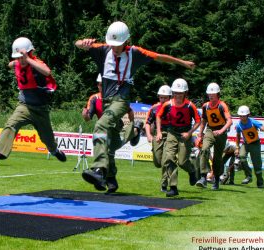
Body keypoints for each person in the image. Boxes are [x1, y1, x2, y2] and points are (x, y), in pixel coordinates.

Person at [75, 21, 195, 191]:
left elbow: (159, 56)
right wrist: (83, 42)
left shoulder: (136, 53)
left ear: (126, 41)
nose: (115, 49)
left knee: (100, 125)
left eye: (118, 45)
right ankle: (112, 176)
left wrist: (182, 62)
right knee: (110, 143)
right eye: (112, 44)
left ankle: (99, 169)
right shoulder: (103, 49)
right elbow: (78, 44)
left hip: (120, 101)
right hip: (107, 103)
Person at [0, 37, 66, 173]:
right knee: (10, 125)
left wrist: (28, 59)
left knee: (47, 139)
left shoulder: (36, 63)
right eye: (18, 58)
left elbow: (47, 71)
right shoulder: (17, 63)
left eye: (22, 57)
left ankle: (54, 150)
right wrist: (15, 61)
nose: (20, 61)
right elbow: (10, 64)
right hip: (24, 105)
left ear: (30, 53)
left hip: (41, 109)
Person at [82, 74, 141, 193]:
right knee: (107, 151)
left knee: (112, 148)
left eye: (102, 84)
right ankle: (109, 179)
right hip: (102, 128)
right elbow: (89, 117)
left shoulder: (116, 97)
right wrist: (85, 116)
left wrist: (131, 123)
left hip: (115, 126)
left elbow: (129, 111)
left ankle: (135, 130)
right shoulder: (94, 98)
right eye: (99, 84)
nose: (101, 87)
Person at [156, 78, 201, 197]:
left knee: (182, 162)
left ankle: (192, 171)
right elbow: (159, 116)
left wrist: (190, 133)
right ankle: (173, 187)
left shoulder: (190, 106)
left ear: (185, 93)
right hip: (172, 133)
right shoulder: (167, 105)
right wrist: (159, 132)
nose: (177, 95)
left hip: (185, 134)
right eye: (175, 93)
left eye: (180, 93)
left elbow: (198, 121)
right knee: (169, 158)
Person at [195, 83, 232, 190]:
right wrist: (200, 133)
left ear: (217, 94)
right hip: (210, 130)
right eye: (209, 94)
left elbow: (229, 121)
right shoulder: (205, 106)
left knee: (217, 158)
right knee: (204, 149)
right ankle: (203, 177)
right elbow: (203, 120)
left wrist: (221, 131)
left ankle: (216, 180)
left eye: (213, 94)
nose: (211, 96)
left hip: (221, 131)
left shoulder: (222, 105)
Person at [235, 105, 264, 188]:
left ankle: (260, 182)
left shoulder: (253, 122)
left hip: (255, 143)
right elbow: (238, 137)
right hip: (246, 143)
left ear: (248, 115)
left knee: (257, 164)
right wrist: (237, 147)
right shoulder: (238, 125)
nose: (242, 118)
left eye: (244, 116)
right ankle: (248, 176)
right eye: (240, 116)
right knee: (241, 156)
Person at [145, 85, 172, 192]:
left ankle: (164, 184)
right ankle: (155, 150)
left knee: (166, 159)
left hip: (170, 134)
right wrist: (148, 135)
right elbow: (147, 123)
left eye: (165, 97)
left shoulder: (173, 107)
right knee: (157, 162)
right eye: (161, 97)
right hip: (158, 135)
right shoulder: (154, 108)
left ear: (170, 97)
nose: (163, 100)